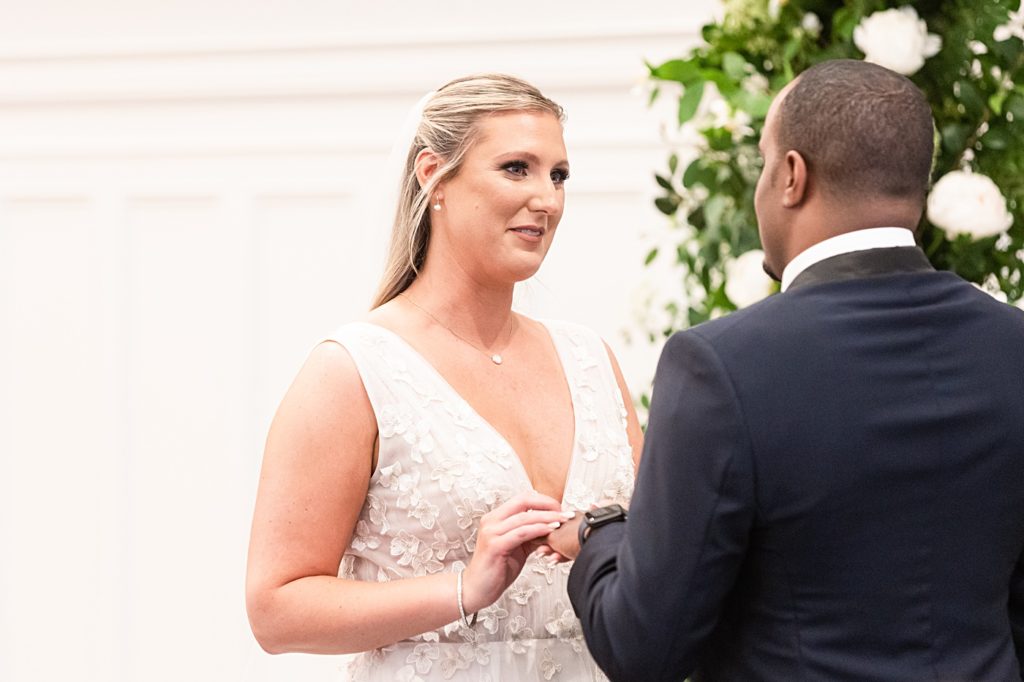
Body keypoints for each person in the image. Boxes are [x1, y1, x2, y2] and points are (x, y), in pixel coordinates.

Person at [548, 59, 1024, 681]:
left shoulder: (722, 366)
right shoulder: (1013, 345)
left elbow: (645, 649)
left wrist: (600, 536)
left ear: (792, 176)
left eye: (764, 162)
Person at [245, 73, 643, 681]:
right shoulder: (353, 371)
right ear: (433, 174)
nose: (548, 199)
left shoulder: (592, 360)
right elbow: (276, 609)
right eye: (517, 168)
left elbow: (652, 549)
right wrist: (462, 586)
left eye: (559, 174)